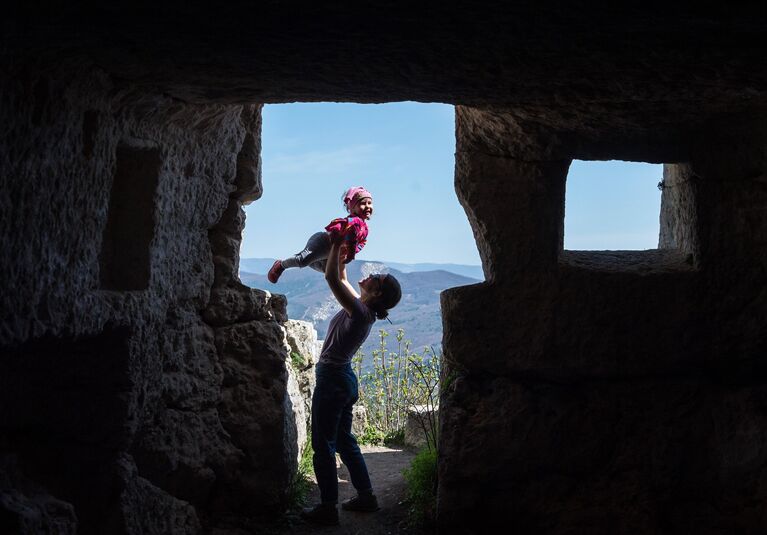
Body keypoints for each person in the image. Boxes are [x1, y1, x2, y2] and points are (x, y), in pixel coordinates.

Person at [300, 233, 402, 526]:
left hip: (333, 379)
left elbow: (332, 280)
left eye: (375, 278)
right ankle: (366, 496)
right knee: (345, 440)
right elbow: (341, 277)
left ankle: (328, 507)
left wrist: (334, 244)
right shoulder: (362, 308)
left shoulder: (359, 311)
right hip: (344, 379)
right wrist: (343, 253)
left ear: (377, 292)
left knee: (323, 443)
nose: (369, 275)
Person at [267, 186, 373, 283]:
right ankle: (280, 265)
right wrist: (349, 251)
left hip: (331, 253)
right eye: (363, 203)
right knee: (302, 260)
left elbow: (362, 242)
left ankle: (310, 259)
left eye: (369, 203)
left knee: (328, 271)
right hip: (322, 243)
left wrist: (352, 250)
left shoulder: (365, 228)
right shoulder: (352, 221)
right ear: (352, 207)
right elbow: (343, 230)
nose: (367, 206)